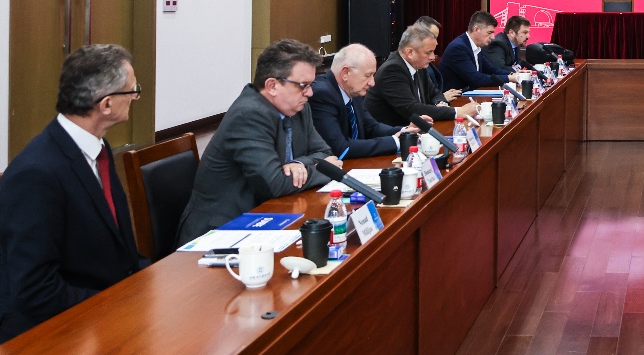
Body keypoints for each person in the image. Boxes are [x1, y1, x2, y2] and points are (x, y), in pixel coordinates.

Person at [0, 45, 149, 342]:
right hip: (53, 334)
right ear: (106, 104)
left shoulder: (98, 147)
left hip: (105, 310)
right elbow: (35, 289)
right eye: (133, 90)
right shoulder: (37, 174)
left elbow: (121, 250)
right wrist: (116, 305)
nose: (135, 97)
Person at [178, 40, 339, 244]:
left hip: (269, 217)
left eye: (311, 85)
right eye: (303, 86)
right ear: (272, 85)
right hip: (221, 232)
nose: (310, 93)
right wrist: (325, 169)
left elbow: (325, 153)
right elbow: (275, 184)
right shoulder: (249, 114)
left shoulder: (298, 107)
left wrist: (298, 164)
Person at [310, 44, 420, 159]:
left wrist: (405, 132)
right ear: (345, 73)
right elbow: (340, 148)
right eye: (368, 75)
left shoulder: (353, 89)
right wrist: (394, 142)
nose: (372, 83)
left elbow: (371, 127)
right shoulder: (322, 94)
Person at [367, 23, 480, 131]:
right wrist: (457, 112)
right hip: (393, 136)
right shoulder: (392, 70)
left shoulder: (418, 65)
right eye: (428, 52)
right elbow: (411, 109)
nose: (433, 57)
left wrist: (441, 104)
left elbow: (435, 93)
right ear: (410, 52)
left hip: (417, 131)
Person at [438, 11, 533, 91]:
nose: (493, 37)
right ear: (476, 29)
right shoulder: (458, 48)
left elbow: (492, 69)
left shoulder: (476, 46)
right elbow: (476, 78)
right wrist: (510, 78)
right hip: (455, 99)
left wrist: (514, 74)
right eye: (489, 33)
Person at [415, 15, 455, 102]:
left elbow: (432, 92)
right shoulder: (404, 66)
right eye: (433, 37)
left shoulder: (424, 62)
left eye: (436, 38)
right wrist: (442, 98)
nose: (436, 42)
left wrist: (440, 98)